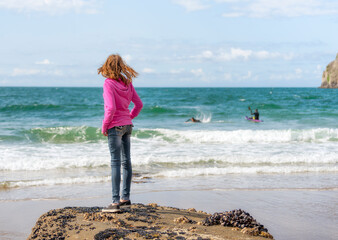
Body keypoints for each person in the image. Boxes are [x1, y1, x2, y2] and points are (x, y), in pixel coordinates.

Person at [98, 54, 143, 213]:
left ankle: (115, 202)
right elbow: (139, 104)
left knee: (115, 162)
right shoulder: (128, 83)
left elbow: (110, 108)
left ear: (107, 67)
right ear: (121, 66)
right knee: (126, 162)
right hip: (127, 125)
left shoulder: (108, 84)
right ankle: (125, 198)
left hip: (115, 127)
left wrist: (105, 126)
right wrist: (128, 117)